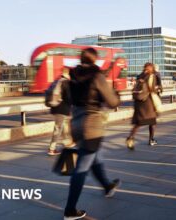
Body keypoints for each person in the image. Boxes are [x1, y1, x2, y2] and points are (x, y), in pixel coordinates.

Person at [64, 48, 121, 220]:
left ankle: (107, 186)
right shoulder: (97, 76)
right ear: (95, 60)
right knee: (81, 168)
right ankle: (70, 210)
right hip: (92, 126)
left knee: (94, 157)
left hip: (76, 124)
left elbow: (68, 100)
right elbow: (112, 102)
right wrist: (116, 94)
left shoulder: (71, 76)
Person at [126, 63, 161, 149]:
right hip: (147, 102)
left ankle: (130, 138)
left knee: (138, 123)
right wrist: (157, 89)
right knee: (152, 121)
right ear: (151, 69)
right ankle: (151, 139)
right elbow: (151, 88)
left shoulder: (140, 75)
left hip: (138, 102)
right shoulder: (151, 76)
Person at [47, 68, 73, 156]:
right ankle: (52, 148)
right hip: (62, 109)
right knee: (58, 128)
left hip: (55, 108)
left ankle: (67, 142)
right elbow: (69, 97)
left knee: (64, 125)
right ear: (68, 74)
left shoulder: (57, 81)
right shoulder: (65, 82)